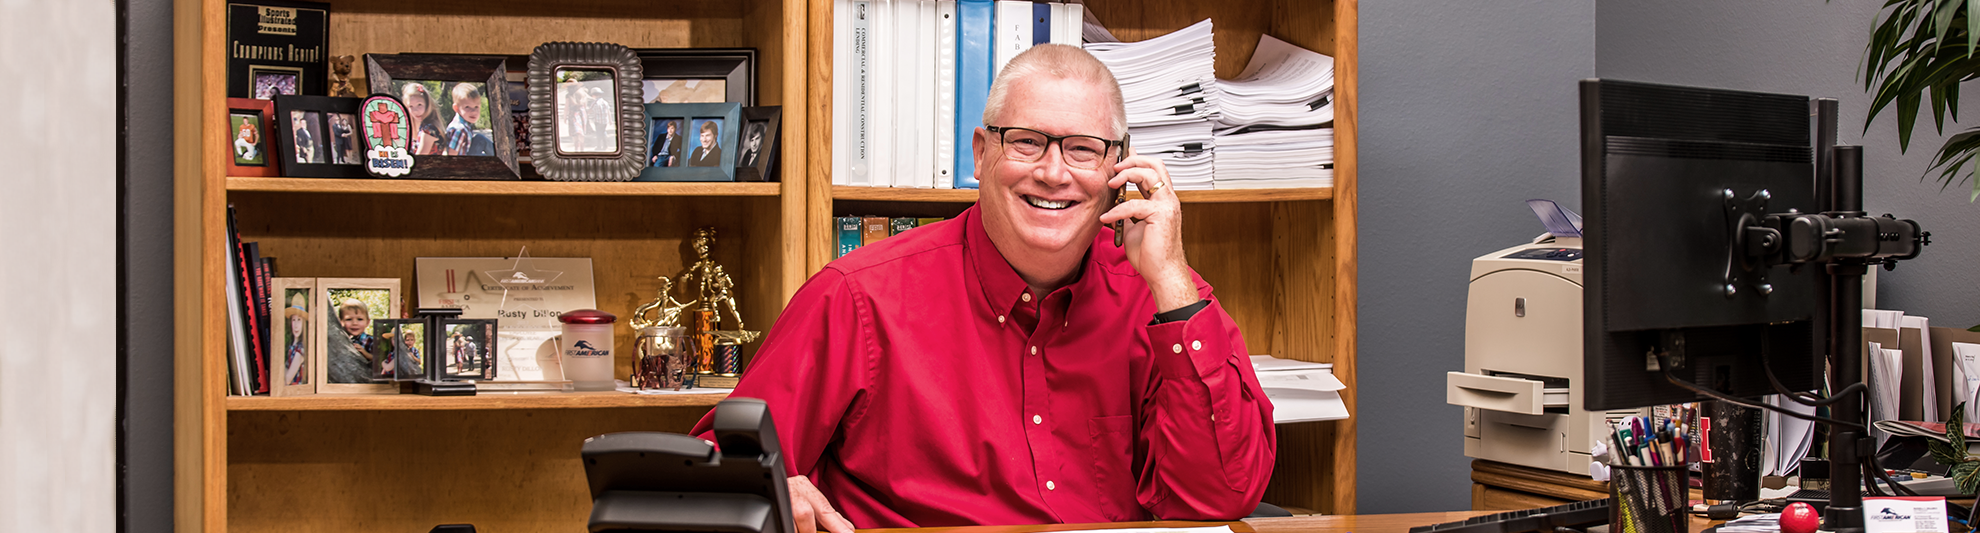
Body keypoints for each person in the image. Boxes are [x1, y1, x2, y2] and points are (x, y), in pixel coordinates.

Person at [688, 44, 1273, 532]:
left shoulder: (1161, 298)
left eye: (1083, 149)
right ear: (980, 153)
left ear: (1118, 169)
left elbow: (1222, 497)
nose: (1053, 172)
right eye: (1026, 141)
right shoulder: (856, 296)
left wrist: (1171, 278)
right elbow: (720, 465)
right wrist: (767, 488)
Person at [326, 298, 375, 383]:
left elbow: (380, 361)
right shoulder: (342, 340)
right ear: (341, 322)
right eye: (349, 319)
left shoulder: (371, 340)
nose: (354, 323)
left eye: (360, 319)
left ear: (367, 322)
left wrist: (366, 354)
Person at [442, 82, 494, 156]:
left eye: (476, 107)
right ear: (456, 108)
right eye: (467, 107)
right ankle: (501, 157)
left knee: (481, 145)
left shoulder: (464, 124)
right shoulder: (459, 129)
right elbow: (452, 155)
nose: (473, 111)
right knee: (480, 140)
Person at [401, 83, 444, 155]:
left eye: (419, 104)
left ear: (427, 104)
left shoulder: (429, 129)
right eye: (411, 106)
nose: (415, 110)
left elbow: (419, 159)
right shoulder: (419, 128)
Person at [282, 296, 308, 385]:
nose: (296, 325)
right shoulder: (292, 345)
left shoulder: (301, 348)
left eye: (299, 320)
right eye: (294, 320)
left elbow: (287, 380)